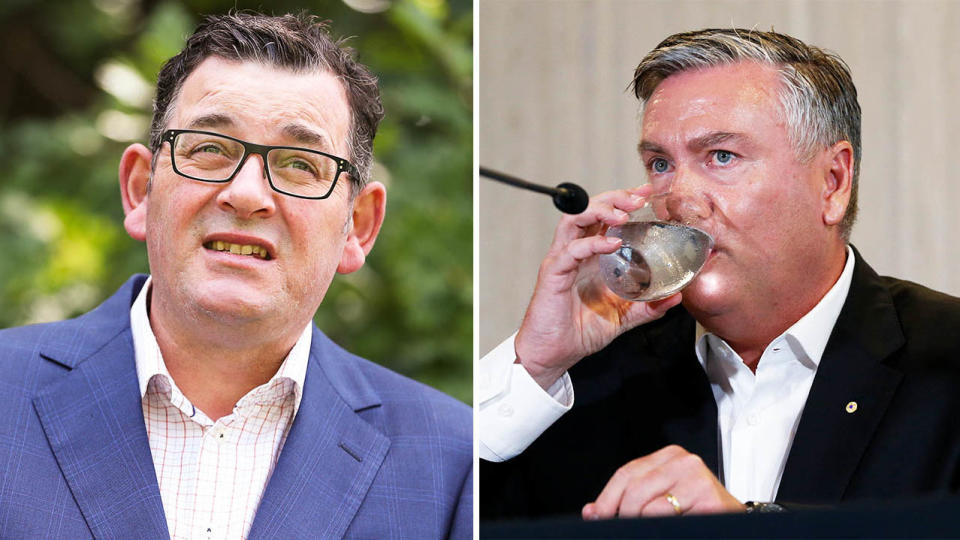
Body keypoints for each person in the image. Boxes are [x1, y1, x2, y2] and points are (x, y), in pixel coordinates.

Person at [0, 12, 471, 539]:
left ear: (357, 227)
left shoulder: (451, 461)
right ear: (140, 190)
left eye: (300, 164)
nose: (247, 194)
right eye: (208, 150)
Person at [479, 28, 960, 520]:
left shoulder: (944, 359)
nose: (678, 199)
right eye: (661, 164)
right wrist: (536, 362)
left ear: (832, 183)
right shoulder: (584, 378)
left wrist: (742, 529)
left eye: (721, 156)